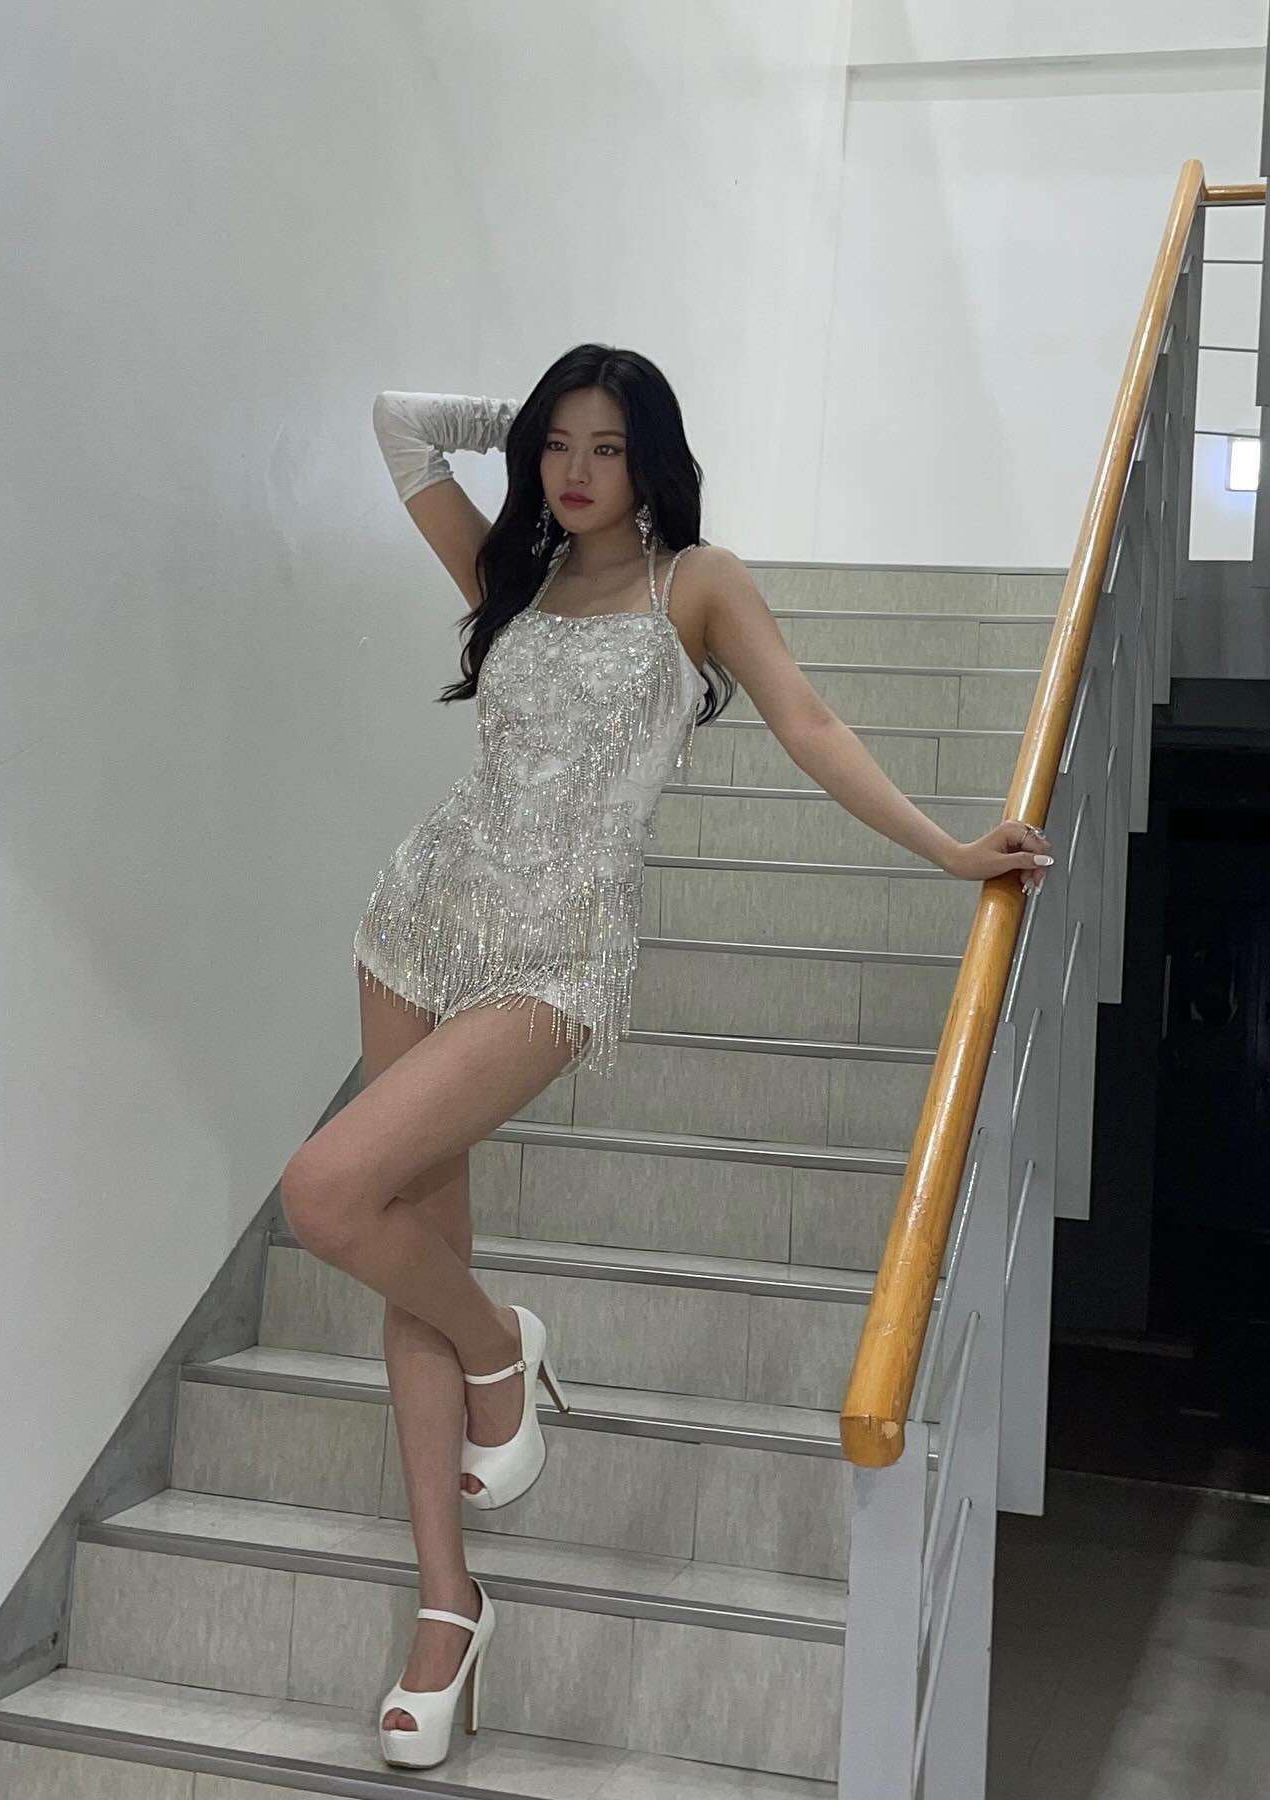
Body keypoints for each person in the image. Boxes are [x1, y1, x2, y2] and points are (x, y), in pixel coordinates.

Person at [276, 344, 1055, 1770]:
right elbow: (397, 425)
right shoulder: (514, 575)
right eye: (557, 445)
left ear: (653, 461)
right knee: (407, 1247)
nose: (576, 472)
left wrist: (950, 851)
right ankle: (447, 1605)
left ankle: (502, 1348)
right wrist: (513, 418)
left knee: (326, 1195)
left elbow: (809, 721)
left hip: (555, 960)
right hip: (413, 925)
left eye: (607, 447)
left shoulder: (697, 583)